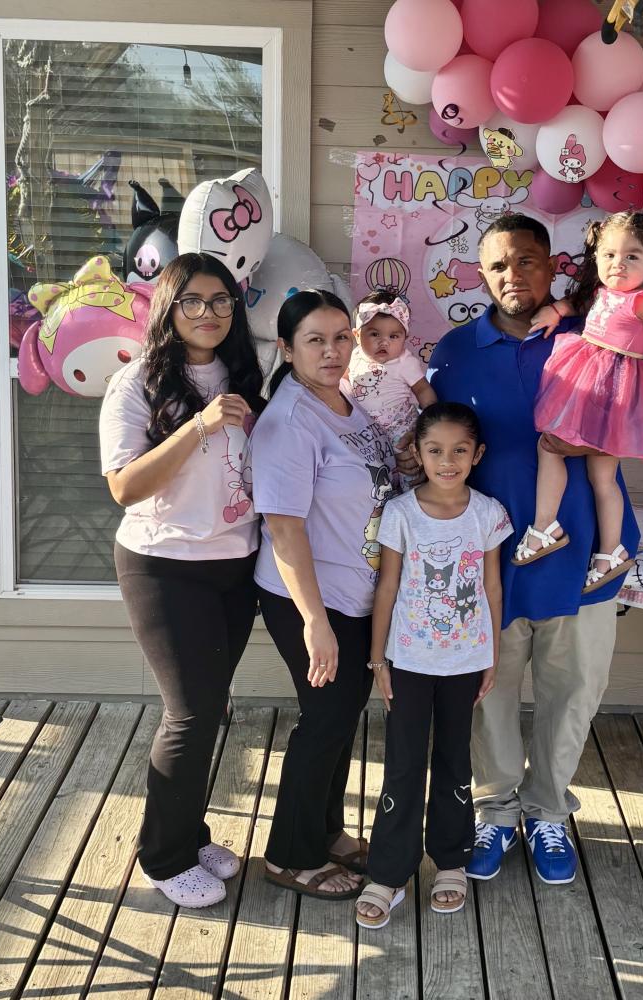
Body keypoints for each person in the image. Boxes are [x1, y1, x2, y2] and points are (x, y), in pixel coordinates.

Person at [428, 214, 640, 886]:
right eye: (498, 265)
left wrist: (599, 439)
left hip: (585, 552)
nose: (512, 275)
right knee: (486, 692)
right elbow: (432, 444)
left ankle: (548, 811)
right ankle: (495, 811)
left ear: (552, 266)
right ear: (482, 276)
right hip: (487, 561)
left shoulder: (597, 334)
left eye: (525, 261)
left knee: (572, 691)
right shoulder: (454, 352)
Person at [100, 252, 264, 908]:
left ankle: (190, 836)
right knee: (190, 712)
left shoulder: (245, 373)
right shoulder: (137, 381)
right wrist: (198, 425)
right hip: (163, 564)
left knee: (209, 707)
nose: (208, 312)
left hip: (236, 563)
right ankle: (163, 857)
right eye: (191, 300)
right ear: (168, 308)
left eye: (221, 300)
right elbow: (124, 487)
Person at [250, 289, 398, 901]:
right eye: (316, 340)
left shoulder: (342, 401)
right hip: (311, 599)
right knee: (325, 720)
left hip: (353, 593)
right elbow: (284, 528)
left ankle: (327, 832)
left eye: (342, 337)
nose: (333, 351)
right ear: (287, 349)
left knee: (340, 719)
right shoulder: (290, 421)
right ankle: (290, 855)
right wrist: (315, 622)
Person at [355, 402, 510, 928]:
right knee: (403, 765)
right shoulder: (401, 513)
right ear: (418, 454)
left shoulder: (488, 513)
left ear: (477, 455)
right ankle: (389, 873)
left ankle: (451, 861)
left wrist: (490, 655)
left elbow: (491, 588)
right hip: (409, 662)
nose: (448, 461)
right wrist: (378, 658)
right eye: (436, 450)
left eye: (459, 450)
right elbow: (387, 587)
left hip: (465, 661)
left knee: (454, 761)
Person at [513, 210, 643, 592]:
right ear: (596, 256)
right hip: (588, 388)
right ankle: (610, 551)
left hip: (617, 395)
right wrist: (556, 310)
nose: (618, 264)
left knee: (554, 450)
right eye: (609, 255)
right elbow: (578, 303)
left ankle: (547, 526)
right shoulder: (602, 292)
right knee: (599, 475)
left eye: (632, 256)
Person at [347, 290, 436, 472]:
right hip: (366, 429)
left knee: (409, 466)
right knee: (375, 471)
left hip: (400, 427)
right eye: (374, 334)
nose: (384, 342)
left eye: (393, 336)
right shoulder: (353, 357)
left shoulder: (404, 361)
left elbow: (422, 389)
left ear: (405, 338)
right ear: (356, 335)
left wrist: (431, 418)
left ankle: (411, 489)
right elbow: (342, 384)